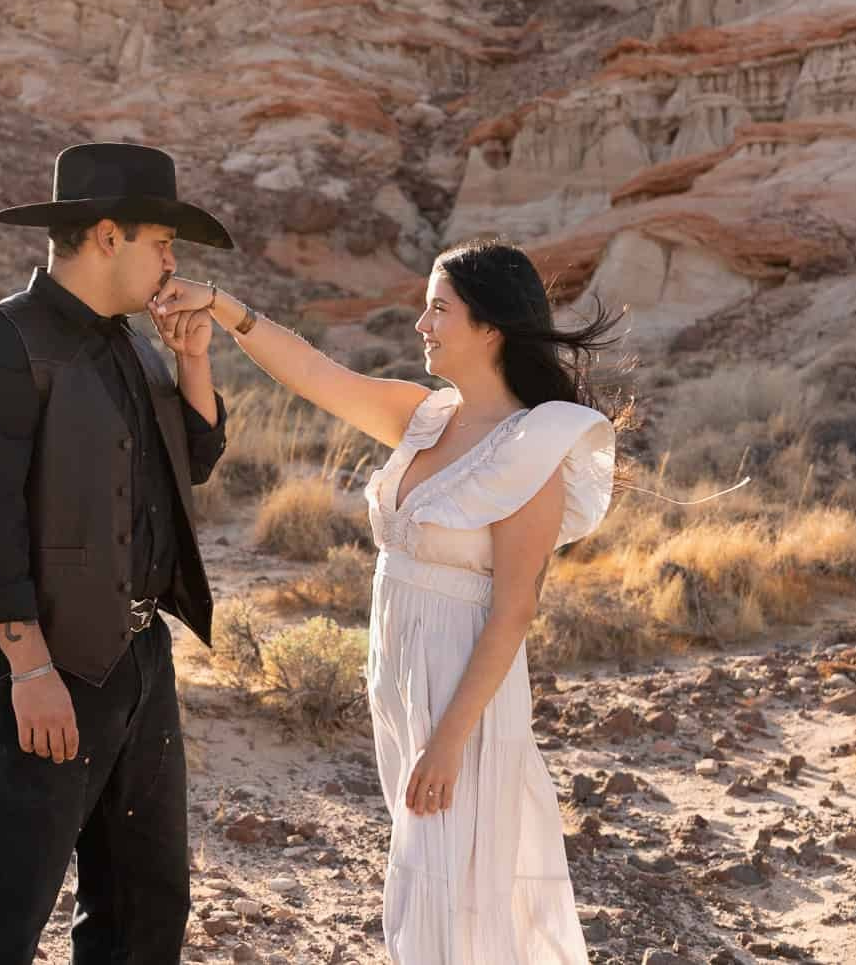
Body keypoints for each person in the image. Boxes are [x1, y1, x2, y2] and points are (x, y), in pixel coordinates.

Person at [153, 238, 622, 965]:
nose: (421, 324)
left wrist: (448, 739)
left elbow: (513, 613)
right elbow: (315, 375)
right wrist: (221, 304)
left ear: (490, 326)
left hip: (462, 695)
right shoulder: (428, 416)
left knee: (446, 887)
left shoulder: (531, 446)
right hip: (404, 686)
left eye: (439, 308)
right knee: (428, 871)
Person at [0, 141, 234, 965]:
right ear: (105, 236)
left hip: (137, 662)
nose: (171, 261)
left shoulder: (133, 342)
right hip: (35, 671)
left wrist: (193, 357)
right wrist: (29, 670)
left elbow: (193, 457)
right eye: (162, 242)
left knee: (145, 905)